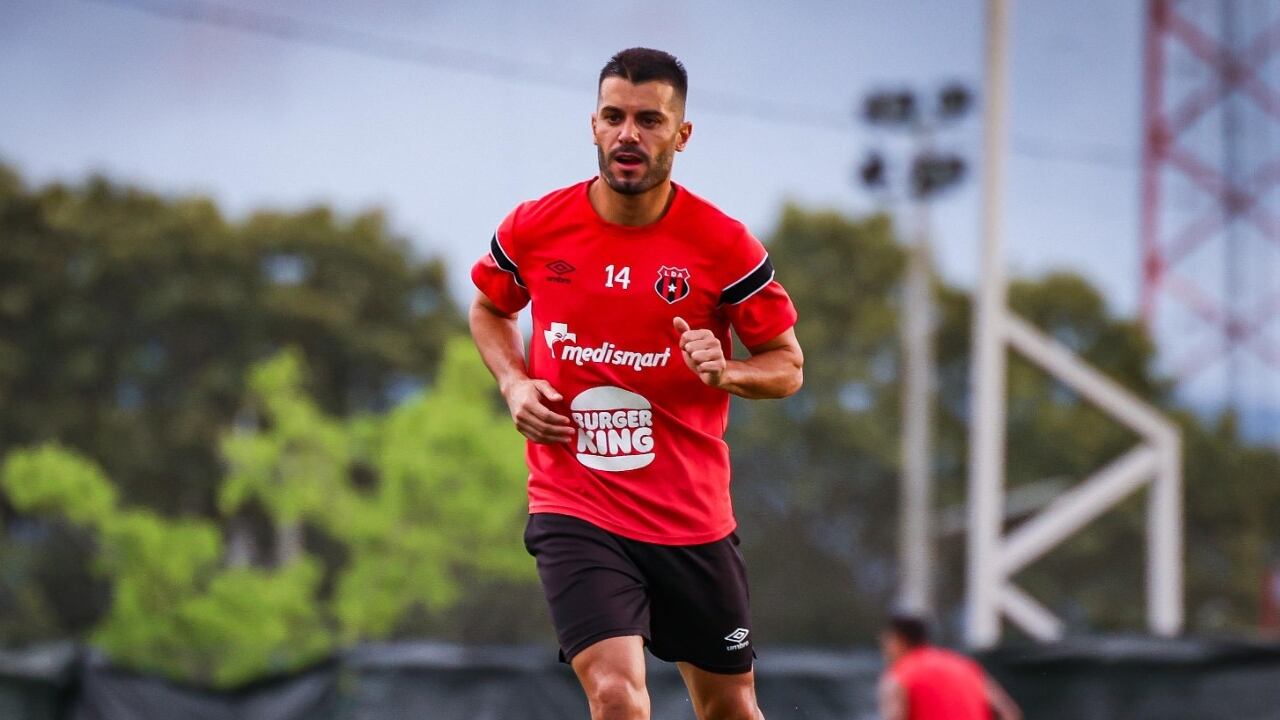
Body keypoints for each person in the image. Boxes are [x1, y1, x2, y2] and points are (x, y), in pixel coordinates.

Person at [468, 47, 803, 720]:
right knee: (618, 692)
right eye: (615, 117)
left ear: (681, 135)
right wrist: (514, 383)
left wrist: (727, 371)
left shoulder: (724, 247)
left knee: (729, 705)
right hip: (576, 506)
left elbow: (788, 365)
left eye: (649, 120)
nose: (629, 134)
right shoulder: (536, 227)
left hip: (691, 521)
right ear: (593, 125)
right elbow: (489, 308)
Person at [878, 616, 1022, 720]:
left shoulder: (902, 673)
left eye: (887, 642)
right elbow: (1008, 713)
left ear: (899, 640)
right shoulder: (964, 666)